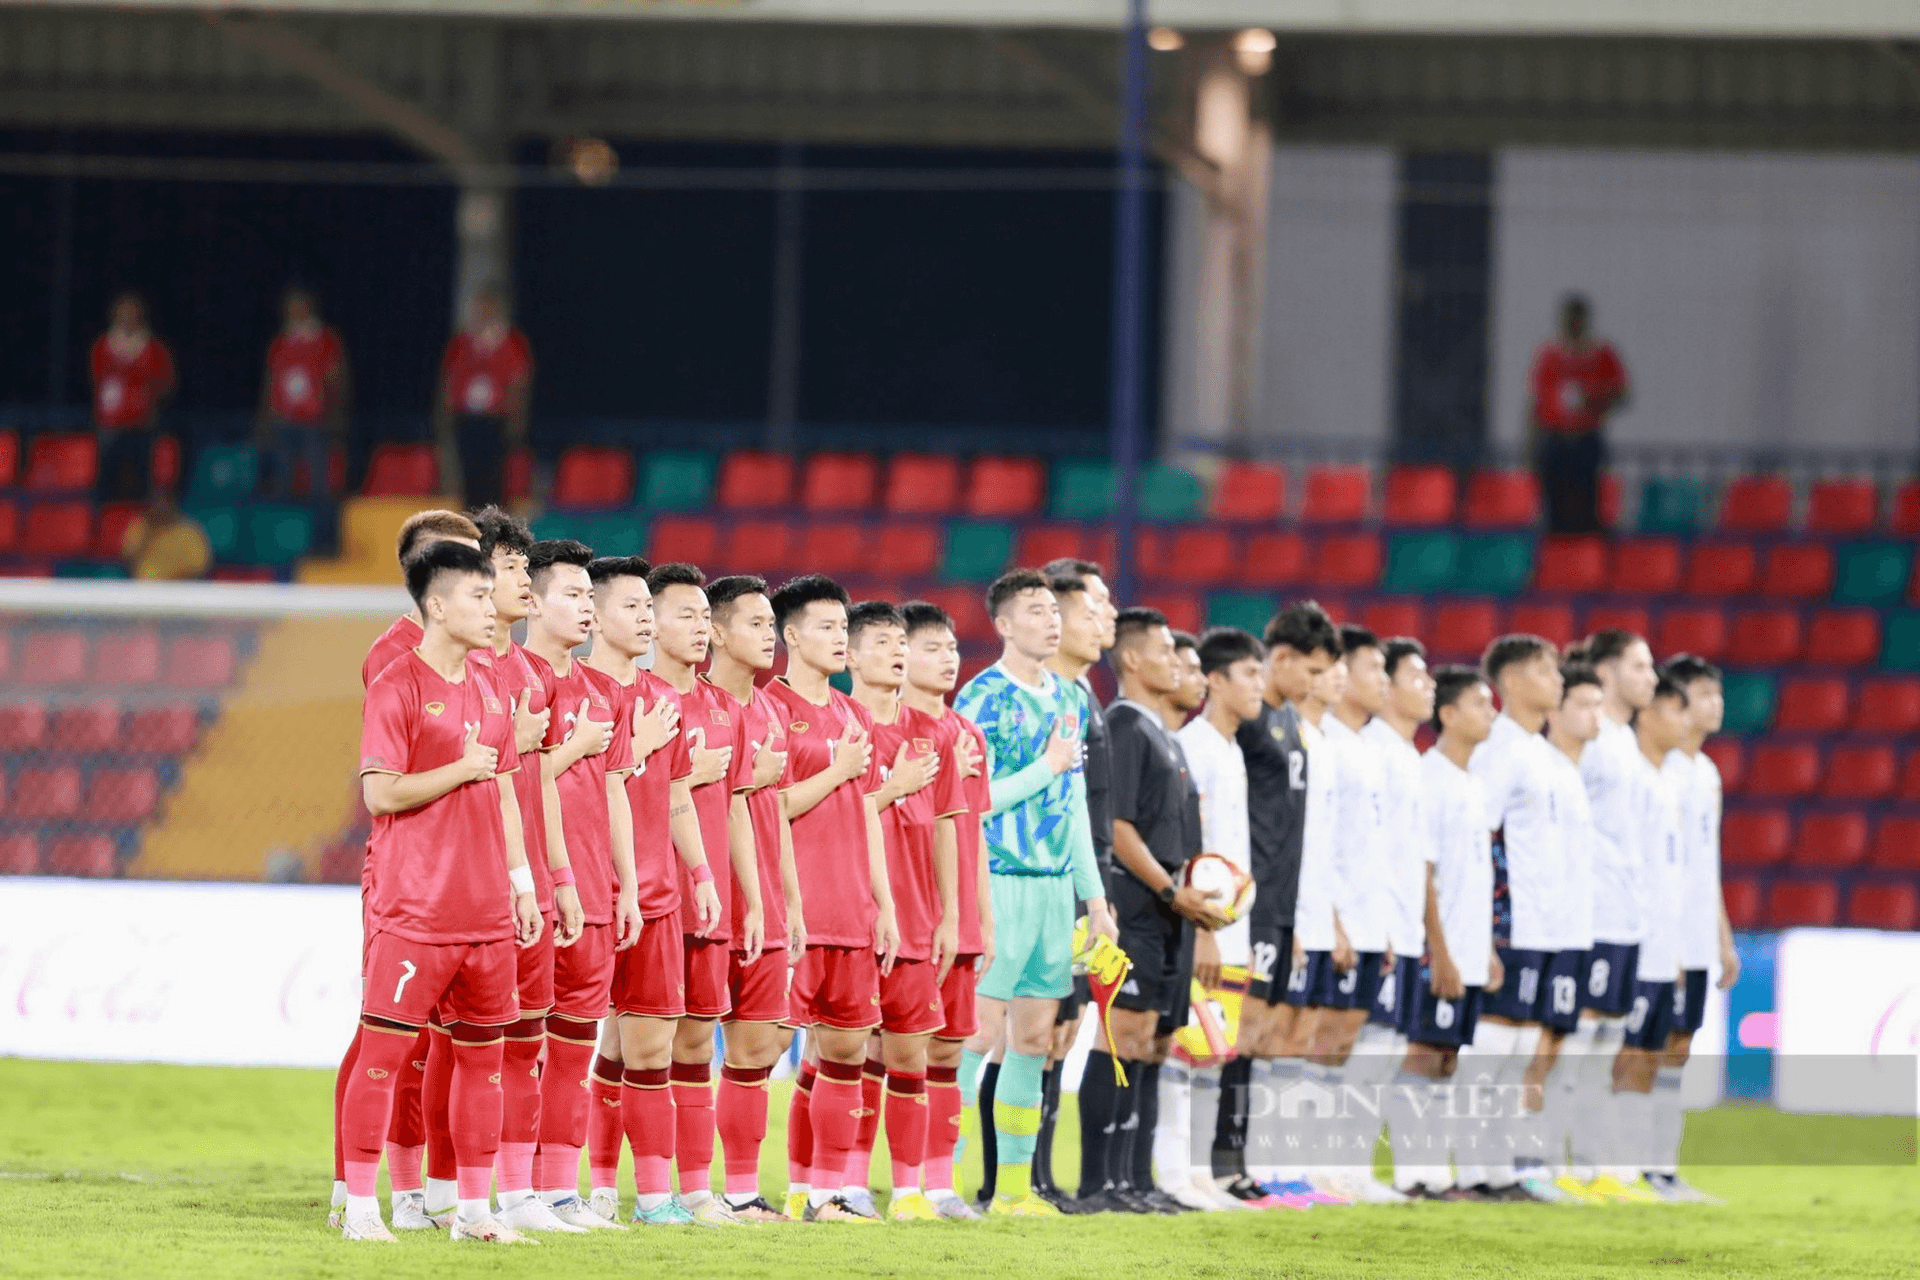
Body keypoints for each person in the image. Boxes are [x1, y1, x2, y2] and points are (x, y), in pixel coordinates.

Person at [341, 539, 541, 1243]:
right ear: (437, 605)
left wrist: (521, 884)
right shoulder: (397, 685)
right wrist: (459, 769)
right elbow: (381, 794)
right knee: (384, 1058)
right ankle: (364, 1206)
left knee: (482, 1066)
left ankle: (474, 1212)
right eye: (479, 597)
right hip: (416, 911)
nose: (492, 610)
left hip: (486, 912)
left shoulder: (491, 689)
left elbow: (509, 793)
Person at [329, 508, 480, 1233]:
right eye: (464, 568)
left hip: (470, 886)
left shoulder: (490, 662)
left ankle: (434, 1189)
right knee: (389, 1036)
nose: (482, 582)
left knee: (457, 1043)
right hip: (409, 876)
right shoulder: (396, 660)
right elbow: (390, 779)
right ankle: (360, 1186)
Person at [953, 569, 1113, 1217]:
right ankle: (939, 1182)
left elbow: (1073, 803)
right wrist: (1044, 767)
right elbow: (970, 801)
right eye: (1036, 610)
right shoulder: (980, 700)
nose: (1051, 620)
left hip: (1053, 891)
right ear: (1004, 624)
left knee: (1035, 1037)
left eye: (1055, 609)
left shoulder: (1071, 699)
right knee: (977, 1034)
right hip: (998, 881)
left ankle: (1013, 1193)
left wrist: (1094, 899)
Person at [576, 554, 717, 1227]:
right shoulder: (572, 693)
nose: (640, 619)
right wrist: (631, 748)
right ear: (594, 615)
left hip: (656, 898)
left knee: (651, 1050)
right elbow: (566, 786)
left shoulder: (664, 702)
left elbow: (679, 797)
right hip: (583, 896)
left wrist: (700, 874)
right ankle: (567, 1189)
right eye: (630, 607)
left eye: (644, 608)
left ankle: (654, 1199)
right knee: (570, 1046)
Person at [762, 574, 900, 1224]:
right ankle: (773, 1187)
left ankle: (830, 1190)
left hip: (851, 910)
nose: (839, 639)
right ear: (791, 635)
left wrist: (885, 905)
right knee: (762, 1054)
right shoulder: (769, 709)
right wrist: (836, 772)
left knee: (844, 1052)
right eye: (826, 628)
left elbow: (867, 814)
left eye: (844, 630)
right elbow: (768, 808)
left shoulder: (852, 715)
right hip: (797, 911)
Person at [520, 540, 643, 1231]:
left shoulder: (601, 691)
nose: (586, 608)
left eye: (590, 597)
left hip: (595, 894)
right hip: (534, 892)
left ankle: (559, 1191)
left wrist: (626, 886)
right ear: (533, 601)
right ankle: (513, 1190)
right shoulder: (510, 680)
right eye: (573, 595)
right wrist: (568, 749)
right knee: (520, 1047)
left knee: (574, 1051)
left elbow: (617, 791)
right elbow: (514, 779)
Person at [1083, 607, 1222, 1214]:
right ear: (1134, 661)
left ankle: (1134, 1179)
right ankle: (1098, 1180)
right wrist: (1168, 890)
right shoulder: (1125, 727)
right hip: (1140, 905)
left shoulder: (1163, 734)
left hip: (1170, 911)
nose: (1178, 663)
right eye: (1167, 652)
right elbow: (1117, 824)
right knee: (1123, 1035)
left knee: (1154, 1041)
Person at [466, 508, 580, 1234]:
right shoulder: (456, 666)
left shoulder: (535, 673)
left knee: (529, 1033)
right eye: (508, 568)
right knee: (455, 1046)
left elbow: (537, 785)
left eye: (517, 566)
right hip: (468, 880)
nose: (520, 583)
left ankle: (514, 1193)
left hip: (529, 873)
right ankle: (427, 1191)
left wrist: (555, 875)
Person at [841, 601, 961, 1221]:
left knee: (910, 1055)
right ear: (852, 655)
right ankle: (843, 1183)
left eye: (899, 641)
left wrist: (951, 914)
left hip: (915, 914)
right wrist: (892, 787)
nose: (895, 651)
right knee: (843, 1055)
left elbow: (946, 829)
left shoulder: (932, 731)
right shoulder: (843, 725)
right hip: (850, 913)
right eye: (881, 641)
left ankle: (911, 1190)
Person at [646, 562, 755, 1226]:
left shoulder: (722, 707)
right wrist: (678, 777)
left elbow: (739, 809)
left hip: (709, 901)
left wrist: (758, 901)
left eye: (698, 616)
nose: (694, 629)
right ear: (647, 620)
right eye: (680, 614)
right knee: (627, 1047)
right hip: (650, 895)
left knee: (694, 1045)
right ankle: (598, 1186)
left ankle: (694, 1191)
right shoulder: (637, 700)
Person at [1231, 601, 1341, 1210]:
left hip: (1284, 902)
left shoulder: (1291, 726)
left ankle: (1264, 1168)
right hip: (1251, 899)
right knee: (1243, 1030)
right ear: (1281, 659)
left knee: (1270, 1030)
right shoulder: (1251, 724)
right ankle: (1229, 1166)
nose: (1316, 684)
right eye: (1312, 671)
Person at [704, 574, 805, 1222]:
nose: (768, 635)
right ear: (716, 631)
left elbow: (777, 816)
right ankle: (635, 1187)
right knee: (646, 1049)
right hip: (703, 899)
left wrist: (790, 902)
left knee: (758, 1051)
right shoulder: (698, 702)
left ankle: (740, 1191)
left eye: (772, 625)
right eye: (755, 624)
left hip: (764, 901)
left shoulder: (770, 710)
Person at [1455, 634, 1567, 1203]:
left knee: (1520, 1048)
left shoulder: (1540, 753)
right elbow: (1483, 834)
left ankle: (1497, 1167)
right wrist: (1490, 928)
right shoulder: (1500, 748)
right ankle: (1472, 1166)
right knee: (1495, 1047)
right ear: (1515, 681)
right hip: (1512, 921)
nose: (1559, 680)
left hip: (1542, 922)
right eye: (1547, 670)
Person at [1164, 626, 1266, 1212]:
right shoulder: (1197, 746)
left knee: (1213, 1050)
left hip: (1233, 929)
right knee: (1187, 1050)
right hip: (1204, 929)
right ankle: (1176, 1171)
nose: (1259, 686)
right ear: (1216, 681)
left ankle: (1199, 1172)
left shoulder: (1230, 749)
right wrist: (1201, 930)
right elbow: (1190, 846)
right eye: (1249, 674)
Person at [899, 600, 994, 1220]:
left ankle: (938, 1184)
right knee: (877, 1053)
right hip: (906, 911)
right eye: (931, 648)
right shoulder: (891, 726)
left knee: (946, 1054)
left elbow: (976, 833)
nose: (948, 659)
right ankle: (847, 1184)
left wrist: (982, 919)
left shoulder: (967, 734)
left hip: (956, 919)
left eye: (952, 648)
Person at [1389, 665, 1498, 1200]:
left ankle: (1435, 1170)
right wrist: (1443, 949)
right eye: (1481, 704)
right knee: (1424, 1051)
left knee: (1449, 1055)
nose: (1491, 713)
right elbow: (1424, 870)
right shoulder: (1431, 777)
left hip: (1470, 944)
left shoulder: (1475, 783)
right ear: (1449, 715)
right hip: (1442, 945)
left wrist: (1485, 950)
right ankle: (1414, 1173)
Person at [1305, 625, 1403, 1204]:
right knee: (1319, 1042)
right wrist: (1337, 918)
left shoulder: (1369, 747)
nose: (1379, 681)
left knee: (1348, 1047)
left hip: (1370, 921)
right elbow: (1323, 845)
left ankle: (1346, 1164)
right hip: (1335, 919)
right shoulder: (1327, 743)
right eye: (1371, 668)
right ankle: (1311, 1163)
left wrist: (1382, 923)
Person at [1558, 630, 1656, 1200]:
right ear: (1609, 672)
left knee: (1605, 1046)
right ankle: (1553, 1162)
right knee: (1573, 1043)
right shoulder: (1592, 743)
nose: (1651, 677)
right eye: (1640, 666)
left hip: (1625, 915)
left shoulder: (1624, 742)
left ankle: (1593, 1167)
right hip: (1591, 913)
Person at [1653, 654, 1737, 1204]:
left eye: (1717, 694)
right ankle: (1625, 1164)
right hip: (1663, 932)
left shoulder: (1707, 773)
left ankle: (1662, 1166)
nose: (1715, 704)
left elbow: (1708, 862)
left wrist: (1723, 937)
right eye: (1702, 694)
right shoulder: (1662, 771)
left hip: (1698, 934)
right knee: (1643, 1047)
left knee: (1679, 1049)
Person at [1605, 674, 1692, 1201]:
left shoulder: (1667, 780)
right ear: (1650, 715)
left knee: (1648, 1054)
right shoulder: (1631, 775)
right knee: (1623, 1053)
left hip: (1661, 942)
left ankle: (1632, 1169)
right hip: (1631, 935)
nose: (1684, 722)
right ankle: (1607, 1168)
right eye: (1676, 710)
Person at [1528, 663, 1603, 1202]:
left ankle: (1546, 1159)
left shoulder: (1578, 773)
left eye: (1599, 704)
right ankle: (1523, 1159)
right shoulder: (1542, 769)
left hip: (1577, 929)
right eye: (1583, 704)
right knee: (1536, 1048)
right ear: (1555, 713)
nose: (1594, 714)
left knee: (1562, 1047)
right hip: (1544, 930)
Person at [1528, 293, 1628, 534]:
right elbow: (1536, 402)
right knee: (1553, 510)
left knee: (1586, 507)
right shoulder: (1550, 356)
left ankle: (1586, 558)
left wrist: (1592, 399)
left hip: (1585, 438)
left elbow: (1620, 395)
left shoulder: (1602, 355)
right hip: (1554, 438)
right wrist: (1532, 444)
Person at [436, 288, 533, 509]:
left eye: (489, 307)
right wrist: (445, 414)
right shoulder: (462, 342)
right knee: (469, 481)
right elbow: (448, 378)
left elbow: (520, 382)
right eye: (480, 307)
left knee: (495, 483)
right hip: (467, 420)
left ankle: (495, 533)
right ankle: (471, 532)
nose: (484, 312)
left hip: (496, 421)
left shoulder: (511, 343)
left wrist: (517, 419)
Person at [257, 286, 348, 499]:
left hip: (315, 422)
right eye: (290, 307)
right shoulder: (280, 343)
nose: (294, 311)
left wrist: (336, 414)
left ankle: (320, 527)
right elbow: (271, 382)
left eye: (299, 306)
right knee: (283, 480)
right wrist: (266, 415)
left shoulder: (325, 339)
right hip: (284, 421)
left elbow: (336, 379)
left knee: (319, 482)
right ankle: (285, 527)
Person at [90, 292, 176, 503]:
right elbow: (97, 380)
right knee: (105, 489)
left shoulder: (154, 349)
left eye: (131, 314)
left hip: (142, 427)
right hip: (110, 427)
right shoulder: (103, 346)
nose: (126, 318)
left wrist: (145, 398)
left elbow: (167, 384)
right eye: (122, 313)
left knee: (140, 489)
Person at [121, 493, 211, 581]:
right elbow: (126, 553)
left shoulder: (189, 531)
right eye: (155, 502)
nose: (159, 507)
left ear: (171, 504)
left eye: (163, 502)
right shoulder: (141, 526)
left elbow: (200, 565)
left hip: (178, 589)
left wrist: (168, 573)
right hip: (142, 589)